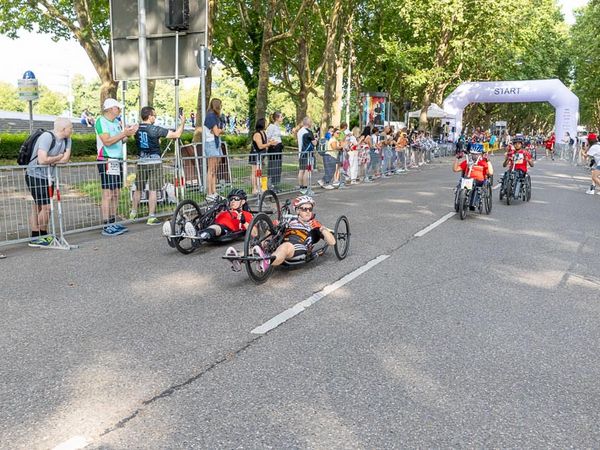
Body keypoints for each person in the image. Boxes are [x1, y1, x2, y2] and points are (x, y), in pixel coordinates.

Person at [225, 195, 335, 272]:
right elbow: (271, 233)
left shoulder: (314, 224)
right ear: (297, 210)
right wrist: (274, 228)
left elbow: (332, 241)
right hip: (282, 243)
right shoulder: (290, 220)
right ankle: (239, 258)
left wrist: (321, 228)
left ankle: (267, 261)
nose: (308, 212)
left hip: (299, 247)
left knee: (285, 246)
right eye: (304, 209)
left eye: (310, 209)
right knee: (263, 245)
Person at [131, 106, 185, 225]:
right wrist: (183, 122)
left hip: (141, 160)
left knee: (138, 188)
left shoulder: (137, 128)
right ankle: (151, 216)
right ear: (150, 116)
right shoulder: (156, 129)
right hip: (154, 161)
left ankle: (133, 213)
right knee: (153, 189)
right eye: (154, 115)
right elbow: (177, 134)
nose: (155, 117)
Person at [26, 118, 73, 247]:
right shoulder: (47, 136)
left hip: (49, 176)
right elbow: (42, 160)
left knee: (40, 206)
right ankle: (42, 235)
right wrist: (58, 157)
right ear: (63, 129)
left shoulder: (67, 139)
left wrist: (51, 160)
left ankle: (38, 235)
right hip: (35, 174)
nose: (72, 130)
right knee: (46, 207)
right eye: (70, 128)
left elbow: (66, 159)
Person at [95, 99, 138, 236]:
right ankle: (106, 224)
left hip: (116, 160)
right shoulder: (101, 121)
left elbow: (121, 139)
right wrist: (124, 134)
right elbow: (107, 141)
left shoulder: (116, 122)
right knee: (107, 193)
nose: (119, 110)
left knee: (116, 193)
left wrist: (129, 133)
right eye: (118, 108)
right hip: (106, 159)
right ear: (110, 109)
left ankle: (113, 221)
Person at [185, 188, 253, 240]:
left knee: (216, 227)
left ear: (243, 201)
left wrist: (243, 221)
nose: (233, 201)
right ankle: (187, 228)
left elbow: (255, 233)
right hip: (211, 223)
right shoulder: (225, 210)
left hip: (225, 227)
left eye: (236, 199)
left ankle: (201, 235)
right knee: (208, 217)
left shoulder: (245, 214)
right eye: (231, 199)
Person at [204, 98, 225, 201]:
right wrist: (221, 130)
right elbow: (216, 132)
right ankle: (209, 193)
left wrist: (218, 131)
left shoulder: (214, 116)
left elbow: (215, 132)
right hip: (211, 143)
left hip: (215, 143)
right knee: (211, 170)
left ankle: (214, 192)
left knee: (214, 170)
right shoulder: (211, 116)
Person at [249, 118, 276, 195]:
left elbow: (265, 144)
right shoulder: (257, 134)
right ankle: (254, 189)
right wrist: (270, 144)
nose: (267, 124)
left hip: (261, 155)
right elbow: (260, 146)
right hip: (255, 155)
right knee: (254, 172)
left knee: (259, 172)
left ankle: (259, 187)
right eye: (266, 123)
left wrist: (271, 143)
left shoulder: (263, 133)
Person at [297, 117, 317, 194]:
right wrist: (316, 139)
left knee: (301, 170)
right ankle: (306, 188)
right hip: (307, 153)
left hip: (301, 153)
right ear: (309, 123)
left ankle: (301, 187)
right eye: (311, 122)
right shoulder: (309, 132)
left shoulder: (300, 131)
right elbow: (314, 143)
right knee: (307, 171)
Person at [266, 112, 284, 192]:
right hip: (273, 148)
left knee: (278, 166)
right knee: (273, 166)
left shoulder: (277, 127)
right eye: (281, 117)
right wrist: (272, 142)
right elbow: (267, 137)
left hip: (279, 148)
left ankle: (276, 184)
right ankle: (271, 185)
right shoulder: (271, 127)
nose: (282, 118)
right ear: (276, 118)